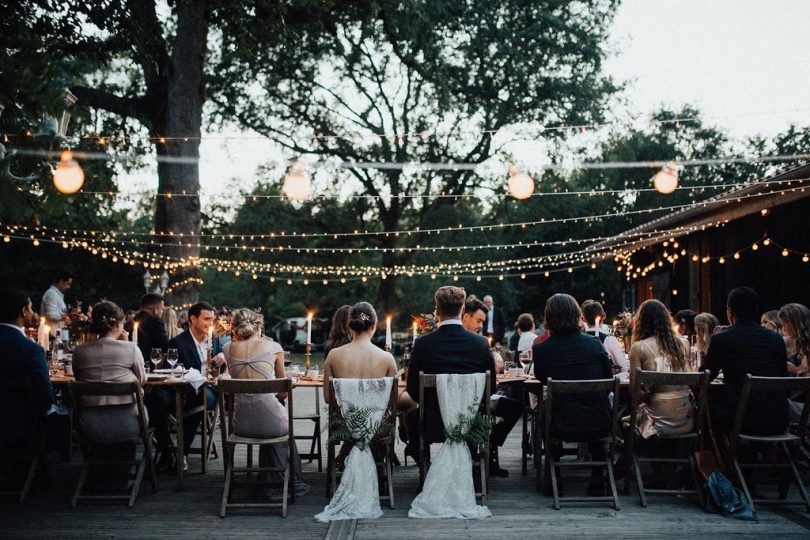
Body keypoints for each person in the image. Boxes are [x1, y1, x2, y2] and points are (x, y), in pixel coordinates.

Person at [532, 293, 613, 494]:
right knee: (595, 407)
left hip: (560, 422)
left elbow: (541, 379)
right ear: (577, 315)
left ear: (549, 317)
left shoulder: (542, 350)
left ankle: (555, 478)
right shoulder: (594, 344)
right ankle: (597, 479)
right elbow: (607, 377)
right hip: (598, 421)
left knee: (544, 411)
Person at [224, 308, 309, 497]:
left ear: (234, 327)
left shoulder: (227, 348)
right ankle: (288, 483)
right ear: (258, 326)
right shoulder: (273, 347)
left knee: (270, 415)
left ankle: (267, 481)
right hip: (271, 423)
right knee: (280, 422)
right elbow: (283, 390)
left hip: (240, 425)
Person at [405, 286, 496, 463]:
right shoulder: (481, 343)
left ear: (437, 311)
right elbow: (491, 388)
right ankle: (474, 463)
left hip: (434, 421)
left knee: (413, 417)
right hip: (469, 421)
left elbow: (412, 389)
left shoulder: (423, 344)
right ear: (463, 310)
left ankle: (426, 467)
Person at [72, 301, 147, 490]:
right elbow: (142, 379)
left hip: (90, 424)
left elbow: (78, 377)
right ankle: (123, 477)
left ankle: (98, 476)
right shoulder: (130, 349)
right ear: (118, 325)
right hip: (127, 423)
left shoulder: (80, 351)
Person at [700, 287, 788, 435]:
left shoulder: (722, 339)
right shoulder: (776, 339)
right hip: (778, 419)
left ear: (729, 312)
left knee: (706, 407)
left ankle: (718, 455)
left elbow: (705, 376)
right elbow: (782, 375)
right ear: (756, 310)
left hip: (742, 420)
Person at [462, 295, 521, 477]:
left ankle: (487, 448)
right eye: (479, 321)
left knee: (511, 405)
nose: (481, 326)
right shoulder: (479, 344)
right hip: (476, 407)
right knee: (514, 407)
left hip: (445, 409)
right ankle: (487, 446)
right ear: (465, 317)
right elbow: (492, 386)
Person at [168, 302, 225, 458]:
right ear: (193, 319)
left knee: (198, 398)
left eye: (212, 319)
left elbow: (225, 370)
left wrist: (223, 356)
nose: (211, 323)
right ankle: (168, 451)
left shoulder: (217, 341)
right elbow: (174, 370)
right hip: (183, 389)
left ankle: (181, 454)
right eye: (206, 319)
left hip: (209, 390)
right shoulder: (178, 342)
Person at [628, 300, 693, 438]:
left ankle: (636, 456)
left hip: (659, 421)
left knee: (626, 419)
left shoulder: (639, 348)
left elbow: (634, 391)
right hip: (687, 419)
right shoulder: (684, 344)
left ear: (641, 322)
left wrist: (650, 397)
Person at [0, 287, 54, 445]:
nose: (32, 312)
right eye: (30, 308)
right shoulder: (31, 350)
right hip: (23, 423)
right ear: (24, 311)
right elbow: (46, 395)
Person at [323, 302, 398, 404]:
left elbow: (328, 398)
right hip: (376, 420)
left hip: (343, 419)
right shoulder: (388, 359)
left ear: (350, 325)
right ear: (374, 324)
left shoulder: (333, 355)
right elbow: (393, 400)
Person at [582, 300, 628, 372]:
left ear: (584, 319)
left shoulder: (579, 340)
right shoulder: (609, 340)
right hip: (605, 381)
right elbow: (623, 368)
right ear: (604, 316)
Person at [133, 293, 169, 363]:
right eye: (162, 309)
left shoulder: (131, 321)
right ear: (155, 310)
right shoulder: (155, 322)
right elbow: (165, 346)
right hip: (150, 364)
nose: (162, 312)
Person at [778, 303, 810, 376]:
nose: (784, 329)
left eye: (784, 325)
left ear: (794, 323)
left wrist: (795, 370)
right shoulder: (803, 345)